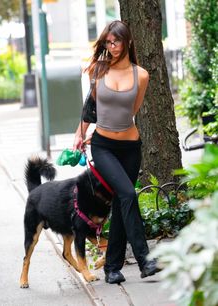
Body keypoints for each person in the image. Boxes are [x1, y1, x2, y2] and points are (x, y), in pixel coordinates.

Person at [73, 20, 160, 284]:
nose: (111, 47)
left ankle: (112, 268)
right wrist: (80, 133)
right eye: (108, 43)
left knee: (124, 204)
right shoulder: (98, 70)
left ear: (127, 42)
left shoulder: (141, 75)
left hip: (131, 147)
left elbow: (132, 110)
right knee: (127, 193)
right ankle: (144, 259)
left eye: (116, 42)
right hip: (103, 146)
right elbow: (90, 107)